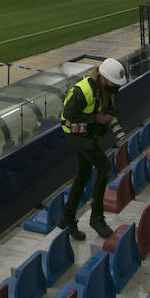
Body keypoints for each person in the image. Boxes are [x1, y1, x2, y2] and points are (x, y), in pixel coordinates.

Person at [56, 58, 127, 240]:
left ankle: (68, 216)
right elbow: (68, 115)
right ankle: (96, 218)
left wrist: (110, 120)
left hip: (87, 133)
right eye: (114, 84)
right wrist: (96, 119)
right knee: (105, 169)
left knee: (84, 174)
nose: (116, 88)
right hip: (75, 134)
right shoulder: (83, 91)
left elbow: (110, 109)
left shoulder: (107, 89)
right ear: (103, 78)